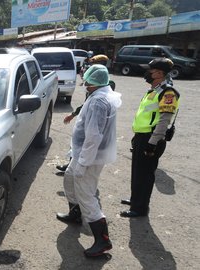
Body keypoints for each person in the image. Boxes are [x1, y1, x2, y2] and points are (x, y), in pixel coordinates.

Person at [56, 64, 122, 257]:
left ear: (92, 80)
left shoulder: (98, 101)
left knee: (87, 195)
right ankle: (75, 214)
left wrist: (83, 163)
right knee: (69, 178)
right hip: (83, 154)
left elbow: (93, 136)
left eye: (86, 79)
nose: (84, 82)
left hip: (90, 157)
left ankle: (102, 241)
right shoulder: (99, 95)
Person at [120, 58, 180, 218]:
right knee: (137, 172)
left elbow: (164, 120)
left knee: (145, 175)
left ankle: (140, 208)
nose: (147, 73)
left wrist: (152, 143)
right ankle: (135, 200)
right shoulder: (154, 90)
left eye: (151, 71)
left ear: (160, 73)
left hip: (152, 139)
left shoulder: (168, 93)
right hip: (142, 136)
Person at [56, 54, 114, 172]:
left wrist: (84, 162)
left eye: (94, 66)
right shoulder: (95, 85)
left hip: (93, 132)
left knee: (86, 144)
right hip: (88, 118)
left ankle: (80, 166)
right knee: (79, 143)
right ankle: (74, 165)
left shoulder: (102, 89)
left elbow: (94, 135)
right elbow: (86, 103)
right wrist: (74, 115)